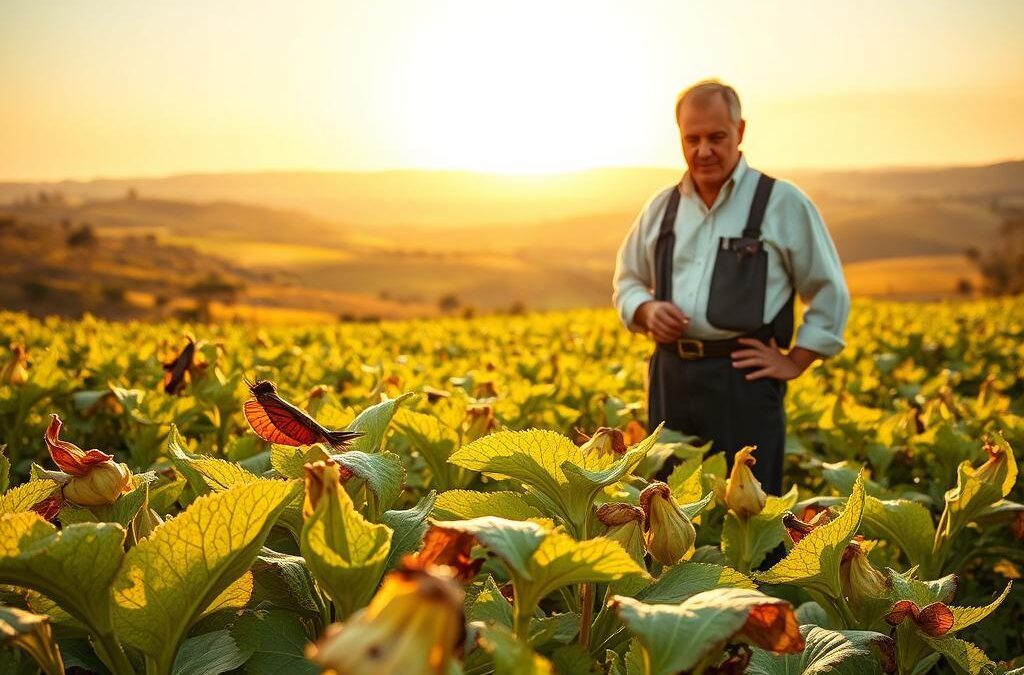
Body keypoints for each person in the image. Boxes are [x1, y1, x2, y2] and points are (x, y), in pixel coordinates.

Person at [612, 79, 850, 496]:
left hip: (744, 381)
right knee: (666, 512)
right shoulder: (661, 206)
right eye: (692, 138)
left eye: (716, 137)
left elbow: (829, 290)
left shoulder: (782, 202)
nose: (703, 150)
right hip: (670, 378)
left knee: (753, 516)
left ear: (739, 132)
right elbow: (627, 279)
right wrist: (646, 310)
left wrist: (795, 361)